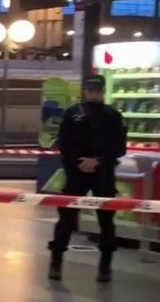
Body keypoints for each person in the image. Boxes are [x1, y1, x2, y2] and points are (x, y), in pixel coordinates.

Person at [48, 75, 127, 283]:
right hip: (76, 172)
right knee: (66, 218)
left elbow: (119, 147)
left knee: (106, 221)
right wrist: (78, 162)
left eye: (97, 90)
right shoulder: (72, 114)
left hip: (103, 173)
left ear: (102, 91)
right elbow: (63, 143)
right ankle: (56, 262)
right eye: (90, 89)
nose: (93, 93)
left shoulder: (113, 115)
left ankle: (105, 267)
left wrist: (98, 161)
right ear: (85, 90)